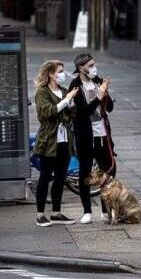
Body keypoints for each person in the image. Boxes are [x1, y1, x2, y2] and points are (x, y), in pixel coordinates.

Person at [69, 53, 116, 225]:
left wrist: (105, 93)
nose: (93, 68)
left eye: (94, 64)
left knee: (107, 172)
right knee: (85, 173)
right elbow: (82, 113)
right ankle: (87, 211)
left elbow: (109, 107)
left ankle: (105, 210)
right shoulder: (75, 85)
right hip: (85, 136)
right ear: (81, 68)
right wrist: (98, 97)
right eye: (90, 65)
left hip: (102, 135)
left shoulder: (99, 81)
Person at [33, 60, 78, 227]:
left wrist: (71, 103)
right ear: (50, 74)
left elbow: (72, 114)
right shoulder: (42, 92)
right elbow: (47, 113)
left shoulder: (65, 91)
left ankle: (56, 213)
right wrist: (67, 100)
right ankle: (40, 215)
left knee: (60, 178)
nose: (62, 74)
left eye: (63, 71)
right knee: (45, 177)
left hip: (64, 140)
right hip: (48, 140)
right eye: (59, 71)